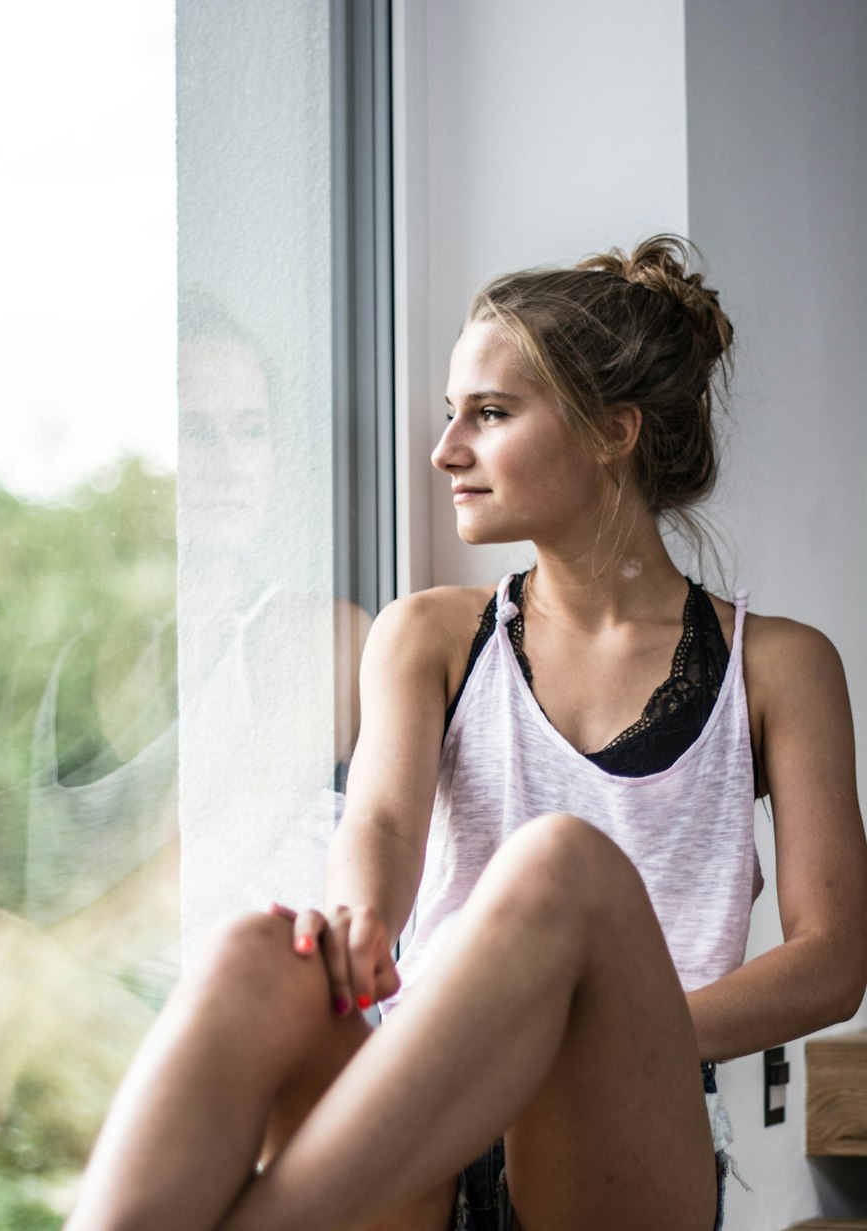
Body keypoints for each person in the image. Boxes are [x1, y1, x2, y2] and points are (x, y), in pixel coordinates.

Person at [63, 236, 867, 1231]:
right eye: (453, 414)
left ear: (612, 431)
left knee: (561, 865)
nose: (446, 449)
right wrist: (356, 919)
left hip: (617, 1139)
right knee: (251, 954)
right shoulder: (427, 635)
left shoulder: (777, 665)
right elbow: (385, 829)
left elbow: (832, 962)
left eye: (488, 414)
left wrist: (606, 1032)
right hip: (416, 1126)